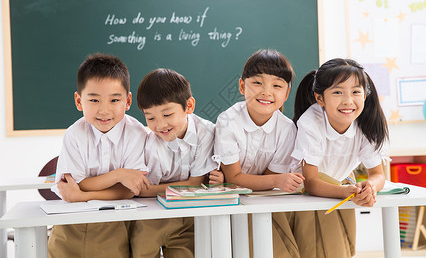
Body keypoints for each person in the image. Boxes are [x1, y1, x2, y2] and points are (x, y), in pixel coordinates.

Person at [48, 53, 150, 258]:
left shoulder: (137, 133)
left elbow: (130, 191)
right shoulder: (74, 134)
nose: (104, 110)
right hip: (69, 225)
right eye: (94, 99)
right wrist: (119, 175)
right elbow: (74, 184)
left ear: (128, 101)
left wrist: (81, 195)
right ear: (79, 101)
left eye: (114, 100)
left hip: (114, 225)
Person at [289, 58, 389, 257]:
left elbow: (378, 174)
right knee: (317, 248)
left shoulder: (366, 122)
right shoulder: (310, 122)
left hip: (340, 186)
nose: (348, 101)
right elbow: (311, 182)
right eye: (337, 92)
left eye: (356, 92)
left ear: (365, 94)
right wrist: (346, 191)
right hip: (303, 192)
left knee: (344, 247)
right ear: (320, 99)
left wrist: (369, 188)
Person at [214, 49, 305, 258]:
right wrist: (275, 180)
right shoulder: (227, 121)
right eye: (257, 83)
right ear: (241, 86)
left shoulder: (287, 129)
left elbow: (266, 180)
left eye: (277, 85)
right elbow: (233, 177)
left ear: (287, 93)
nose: (266, 92)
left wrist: (270, 180)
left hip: (262, 201)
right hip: (225, 201)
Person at [129, 68, 221, 258]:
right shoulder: (149, 143)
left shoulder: (207, 133)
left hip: (188, 217)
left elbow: (195, 184)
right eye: (150, 118)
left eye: (167, 114)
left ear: (189, 106)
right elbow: (142, 190)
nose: (160, 125)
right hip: (149, 217)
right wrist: (191, 185)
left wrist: (191, 185)